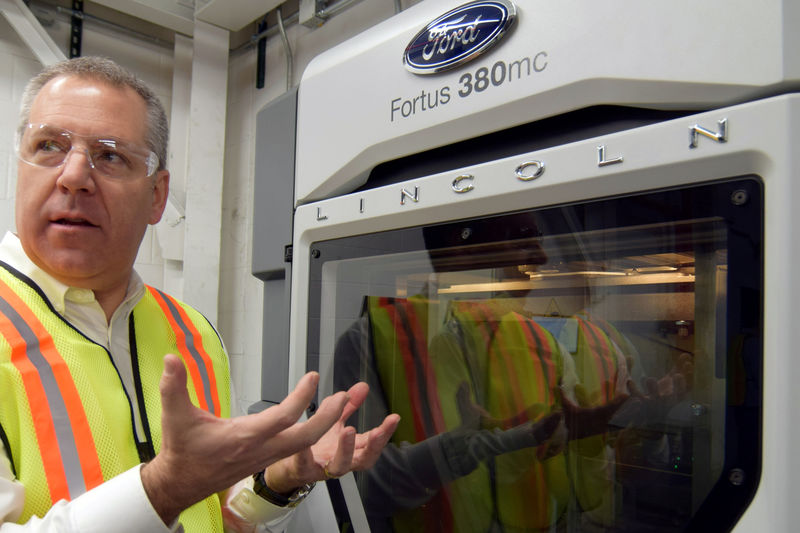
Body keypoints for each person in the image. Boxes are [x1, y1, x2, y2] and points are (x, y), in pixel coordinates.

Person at [0, 56, 400, 532]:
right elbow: (179, 487)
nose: (73, 176)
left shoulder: (192, 332)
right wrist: (165, 488)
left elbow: (220, 512)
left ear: (156, 196)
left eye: (110, 156)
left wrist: (281, 478)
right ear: (18, 167)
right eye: (49, 145)